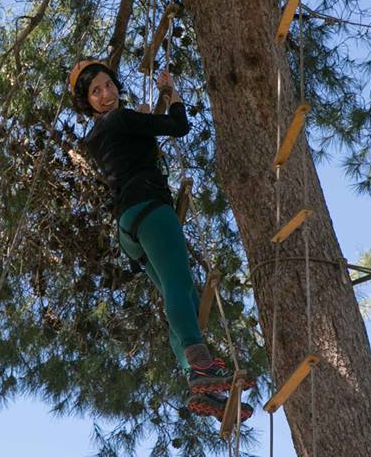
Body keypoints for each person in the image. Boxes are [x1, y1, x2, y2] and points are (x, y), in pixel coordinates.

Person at [67, 58, 253, 421]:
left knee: (178, 295)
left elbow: (137, 144)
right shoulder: (121, 119)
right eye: (96, 91)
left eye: (108, 85)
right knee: (180, 284)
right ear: (87, 101)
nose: (106, 94)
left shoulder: (95, 137)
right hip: (151, 209)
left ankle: (198, 385)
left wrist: (150, 112)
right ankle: (200, 366)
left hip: (128, 227)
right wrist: (174, 96)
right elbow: (178, 126)